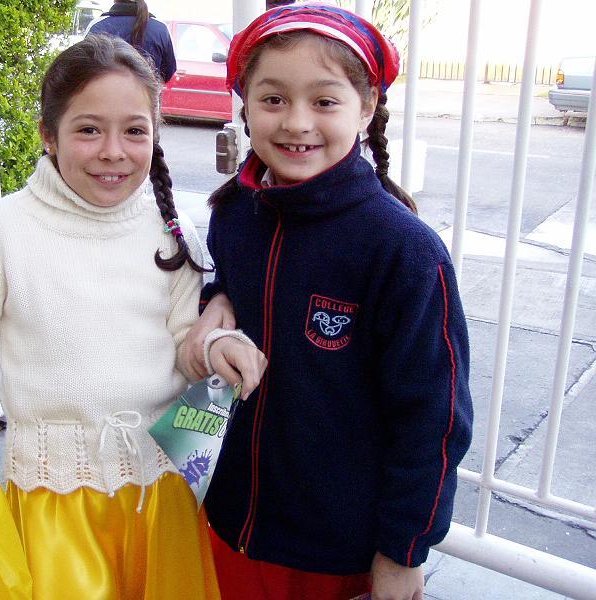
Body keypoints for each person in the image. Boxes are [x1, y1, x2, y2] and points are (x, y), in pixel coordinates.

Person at [0, 34, 267, 599]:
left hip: (161, 491)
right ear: (49, 135)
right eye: (89, 130)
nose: (113, 151)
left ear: (156, 133)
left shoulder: (170, 229)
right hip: (54, 501)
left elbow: (185, 341)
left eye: (134, 131)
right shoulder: (3, 230)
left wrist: (217, 346)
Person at [186, 4, 474, 600]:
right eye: (273, 99)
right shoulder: (234, 213)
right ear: (245, 105)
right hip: (230, 521)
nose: (297, 123)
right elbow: (230, 285)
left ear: (366, 107)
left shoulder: (402, 251)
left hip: (340, 551)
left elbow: (434, 419)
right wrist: (217, 302)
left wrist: (403, 551)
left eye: (324, 101)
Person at [86, 0, 177, 83]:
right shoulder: (160, 29)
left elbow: (84, 70)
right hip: (147, 94)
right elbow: (168, 72)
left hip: (105, 94)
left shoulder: (97, 26)